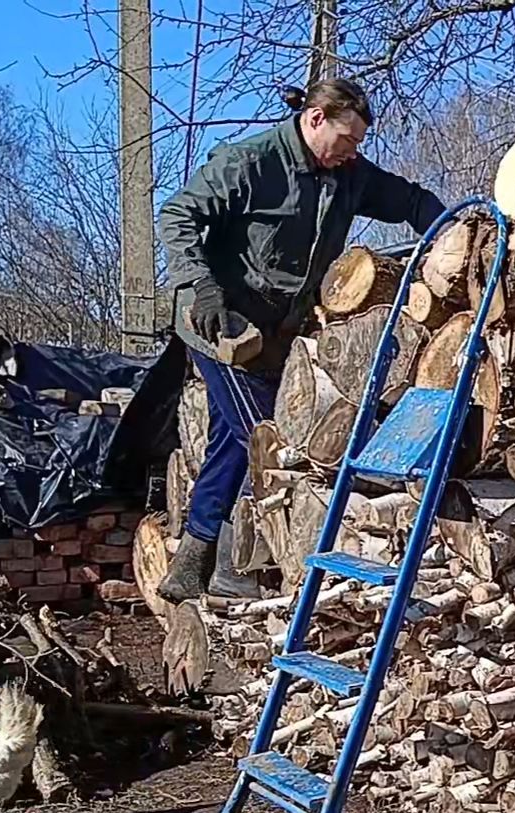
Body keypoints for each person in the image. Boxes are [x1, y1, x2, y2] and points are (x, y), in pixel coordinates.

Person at [155, 78, 444, 600]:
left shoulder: (347, 174)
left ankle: (193, 562)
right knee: (270, 438)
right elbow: (177, 214)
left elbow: (409, 200)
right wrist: (201, 288)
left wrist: (452, 230)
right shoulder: (253, 162)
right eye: (347, 138)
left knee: (230, 440)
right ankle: (237, 567)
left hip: (276, 334)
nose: (353, 151)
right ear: (315, 120)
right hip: (221, 327)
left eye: (358, 143)